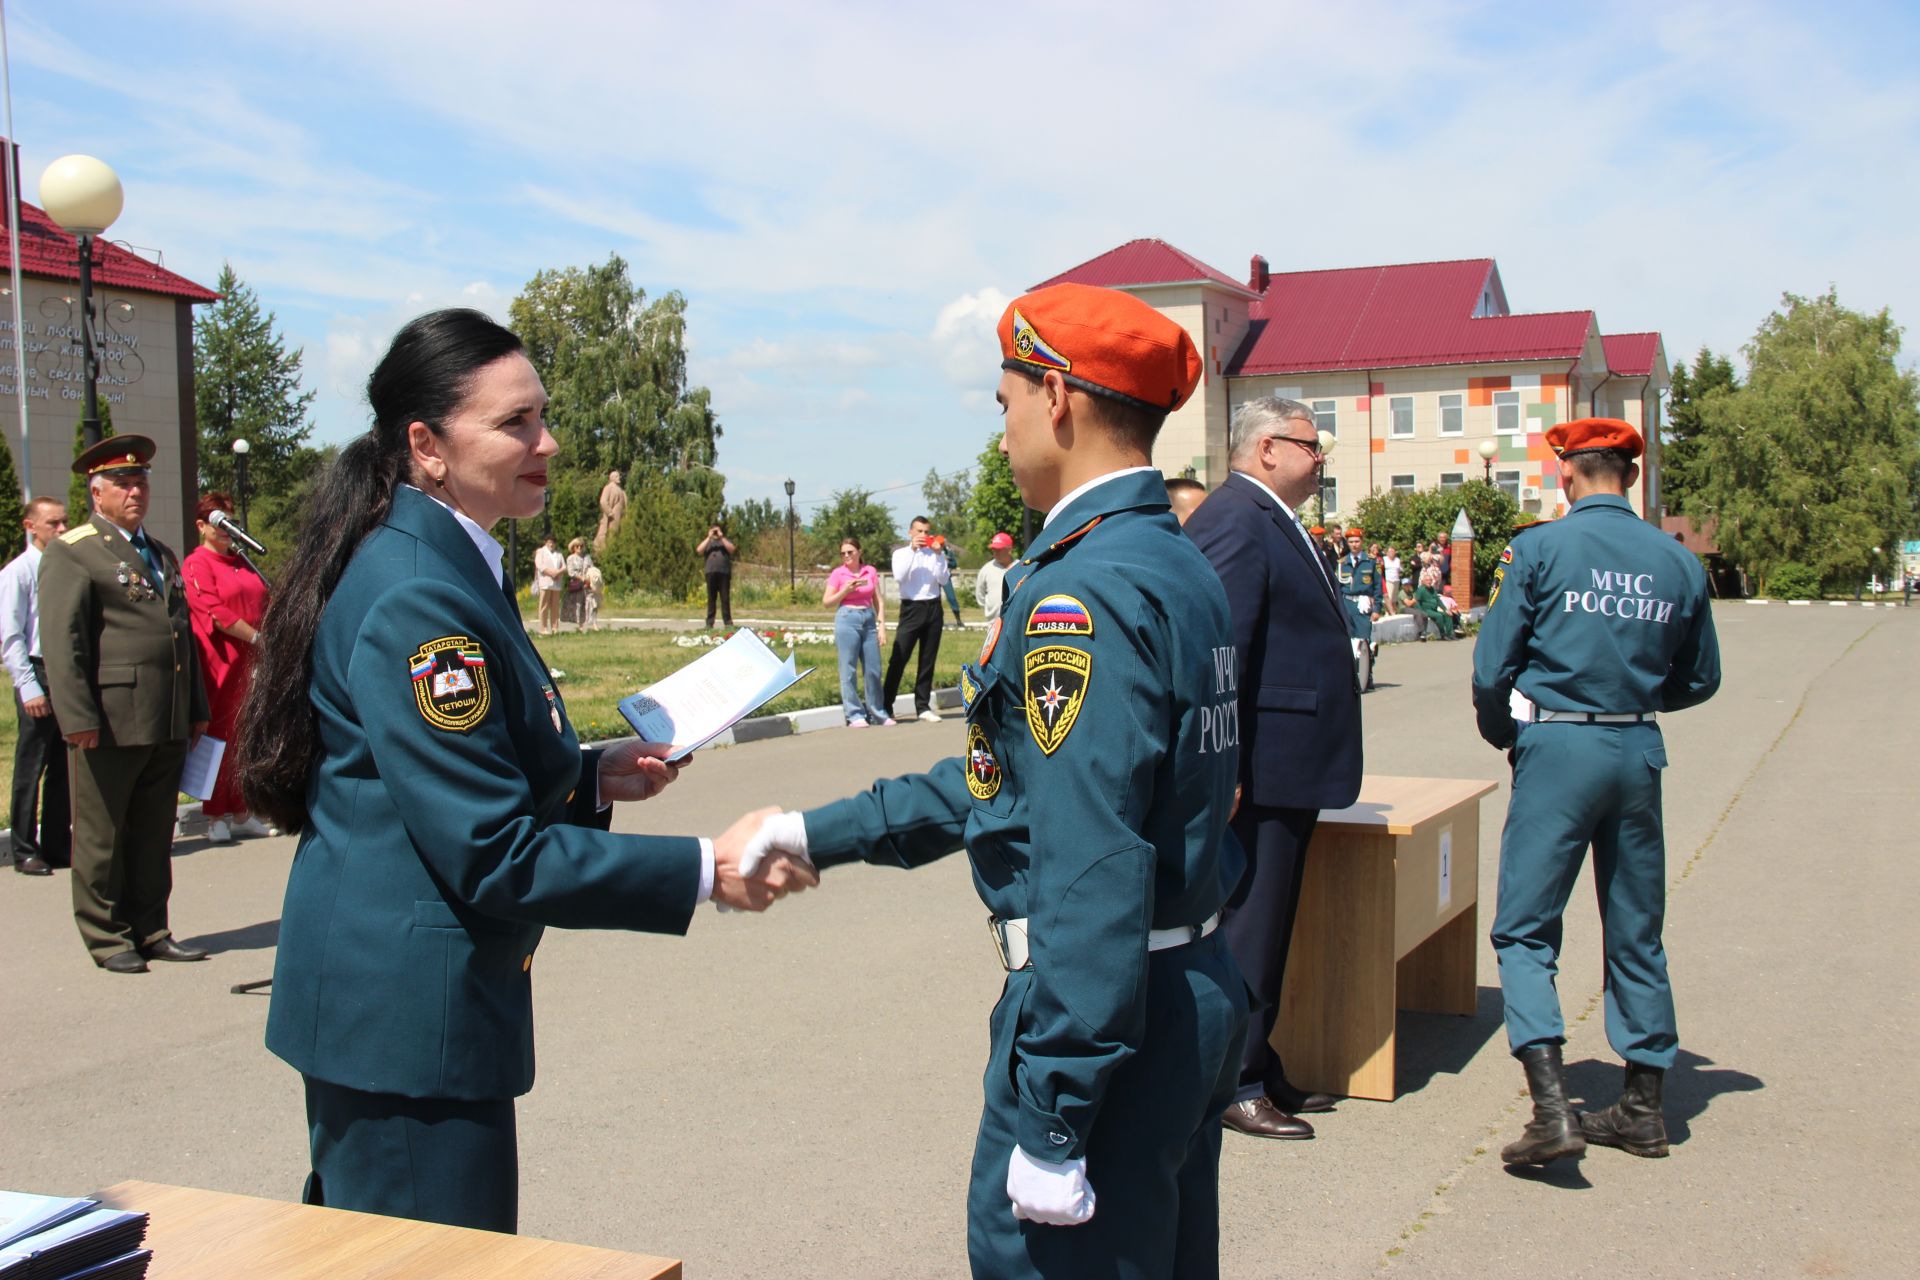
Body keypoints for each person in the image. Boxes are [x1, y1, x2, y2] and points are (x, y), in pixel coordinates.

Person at [233, 309, 815, 1233]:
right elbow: (490, 851)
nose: (547, 443)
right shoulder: (421, 592)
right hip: (403, 1027)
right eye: (515, 424)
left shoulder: (449, 557)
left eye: (542, 416)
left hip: (404, 1013)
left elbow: (439, 774)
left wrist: (588, 777)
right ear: (425, 445)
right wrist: (710, 868)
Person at [739, 284, 1246, 1276]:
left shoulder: (1082, 590)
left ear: (1055, 394)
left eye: (1004, 399)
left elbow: (1092, 857)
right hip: (1180, 990)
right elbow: (1001, 778)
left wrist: (1056, 1114)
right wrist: (815, 830)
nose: (1003, 428)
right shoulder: (1169, 561)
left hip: (1104, 1020)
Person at [1470, 417, 1721, 1168]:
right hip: (1637, 745)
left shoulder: (1541, 548)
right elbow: (1701, 677)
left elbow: (1492, 668)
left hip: (1559, 744)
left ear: (1567, 476)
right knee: (1636, 925)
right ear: (1632, 478)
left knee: (1525, 929)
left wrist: (1508, 733)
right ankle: (1644, 1109)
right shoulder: (1675, 562)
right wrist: (1634, 695)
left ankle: (1553, 1111)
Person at [1185, 396, 1364, 1142]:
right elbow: (1222, 652)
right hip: (1258, 766)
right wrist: (1221, 765)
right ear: (1264, 449)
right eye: (1308, 446)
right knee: (1250, 925)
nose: (1320, 460)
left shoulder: (1267, 517)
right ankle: (1236, 1081)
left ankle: (1261, 1056)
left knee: (1271, 920)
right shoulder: (1235, 519)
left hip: (1285, 763)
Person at [38, 435, 210, 973]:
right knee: (103, 833)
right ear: (97, 492)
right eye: (123, 483)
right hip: (108, 720)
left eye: (141, 481)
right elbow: (63, 642)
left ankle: (151, 927)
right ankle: (108, 936)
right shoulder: (74, 551)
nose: (135, 491)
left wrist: (195, 706)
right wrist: (77, 717)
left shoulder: (159, 552)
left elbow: (183, 634)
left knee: (153, 832)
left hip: (165, 715)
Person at [182, 491, 272, 843]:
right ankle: (214, 814)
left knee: (245, 736)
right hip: (221, 662)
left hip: (252, 659)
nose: (225, 528)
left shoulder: (241, 560)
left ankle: (241, 810)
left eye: (229, 520)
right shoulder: (197, 563)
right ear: (202, 526)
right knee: (217, 736)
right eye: (218, 521)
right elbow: (215, 612)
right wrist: (254, 637)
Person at [3, 496, 71, 874]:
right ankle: (24, 847)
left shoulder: (64, 567)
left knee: (64, 765)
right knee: (32, 764)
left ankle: (58, 843)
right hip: (38, 669)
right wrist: (28, 686)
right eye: (53, 524)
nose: (62, 529)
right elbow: (12, 635)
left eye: (64, 522)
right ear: (31, 526)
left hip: (66, 673)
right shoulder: (19, 572)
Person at [885, 515, 950, 724]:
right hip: (911, 607)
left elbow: (943, 579)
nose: (923, 536)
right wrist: (913, 551)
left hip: (933, 606)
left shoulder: (935, 554)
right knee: (900, 656)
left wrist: (939, 555)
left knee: (927, 659)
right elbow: (899, 575)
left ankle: (922, 706)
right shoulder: (901, 554)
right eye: (919, 531)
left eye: (926, 532)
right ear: (910, 532)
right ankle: (886, 705)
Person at [823, 535, 892, 728]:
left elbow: (878, 600)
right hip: (847, 618)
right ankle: (854, 714)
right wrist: (844, 590)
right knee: (848, 668)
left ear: (859, 552)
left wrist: (882, 625)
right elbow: (827, 602)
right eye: (843, 553)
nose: (846, 556)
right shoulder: (838, 574)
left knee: (873, 669)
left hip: (868, 619)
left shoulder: (869, 571)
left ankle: (878, 711)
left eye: (850, 552)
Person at [1338, 527, 1381, 691]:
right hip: (1347, 603)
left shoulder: (1372, 562)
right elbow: (1338, 587)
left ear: (1362, 542)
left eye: (1357, 541)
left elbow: (1377, 587)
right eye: (1351, 542)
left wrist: (1377, 608)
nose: (1354, 544)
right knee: (1349, 642)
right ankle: (1350, 675)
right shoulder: (1342, 563)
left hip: (1363, 604)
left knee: (1364, 641)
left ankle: (1366, 675)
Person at [698, 523, 735, 629]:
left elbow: (732, 549)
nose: (715, 533)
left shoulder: (724, 541)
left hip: (724, 573)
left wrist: (721, 537)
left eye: (717, 530)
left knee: (725, 599)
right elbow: (699, 550)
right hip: (710, 573)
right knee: (711, 599)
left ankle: (728, 623)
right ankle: (709, 623)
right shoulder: (708, 542)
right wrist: (709, 537)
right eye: (713, 531)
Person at [974, 531, 1015, 623]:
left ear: (1009, 549)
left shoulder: (1020, 567)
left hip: (1015, 621)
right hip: (993, 622)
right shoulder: (986, 569)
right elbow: (980, 596)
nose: (996, 553)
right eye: (994, 549)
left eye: (999, 549)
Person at [532, 534, 564, 636]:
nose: (551, 544)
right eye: (549, 542)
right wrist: (552, 573)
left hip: (556, 583)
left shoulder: (558, 553)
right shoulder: (541, 552)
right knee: (544, 606)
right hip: (545, 582)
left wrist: (558, 573)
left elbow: (564, 566)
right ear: (546, 542)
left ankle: (555, 628)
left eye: (553, 542)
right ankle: (543, 628)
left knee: (555, 606)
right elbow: (539, 565)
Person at [563, 537, 592, 630]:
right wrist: (581, 578)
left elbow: (592, 568)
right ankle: (579, 625)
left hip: (587, 583)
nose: (579, 548)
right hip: (577, 584)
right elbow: (570, 572)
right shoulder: (570, 558)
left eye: (581, 546)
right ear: (573, 548)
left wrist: (589, 579)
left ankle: (587, 624)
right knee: (577, 604)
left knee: (588, 603)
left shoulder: (587, 557)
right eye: (577, 546)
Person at [594, 468, 626, 550]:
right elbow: (603, 501)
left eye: (618, 476)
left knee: (619, 534)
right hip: (612, 516)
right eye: (616, 476)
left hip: (621, 516)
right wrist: (609, 512)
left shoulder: (622, 491)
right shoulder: (608, 487)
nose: (619, 477)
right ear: (611, 478)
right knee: (610, 534)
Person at [936, 535, 964, 626]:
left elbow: (954, 564)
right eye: (939, 543)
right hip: (935, 578)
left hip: (946, 577)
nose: (940, 545)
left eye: (942, 543)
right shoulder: (932, 552)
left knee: (951, 597)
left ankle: (958, 619)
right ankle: (937, 620)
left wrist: (947, 562)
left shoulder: (948, 552)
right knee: (936, 600)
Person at [1381, 544, 1402, 616]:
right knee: (1388, 597)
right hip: (1388, 580)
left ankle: (1394, 610)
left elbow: (1400, 570)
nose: (1391, 553)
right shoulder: (1384, 559)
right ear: (1387, 552)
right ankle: (1387, 612)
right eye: (1390, 551)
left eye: (1393, 551)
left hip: (1396, 580)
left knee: (1394, 598)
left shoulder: (1397, 560)